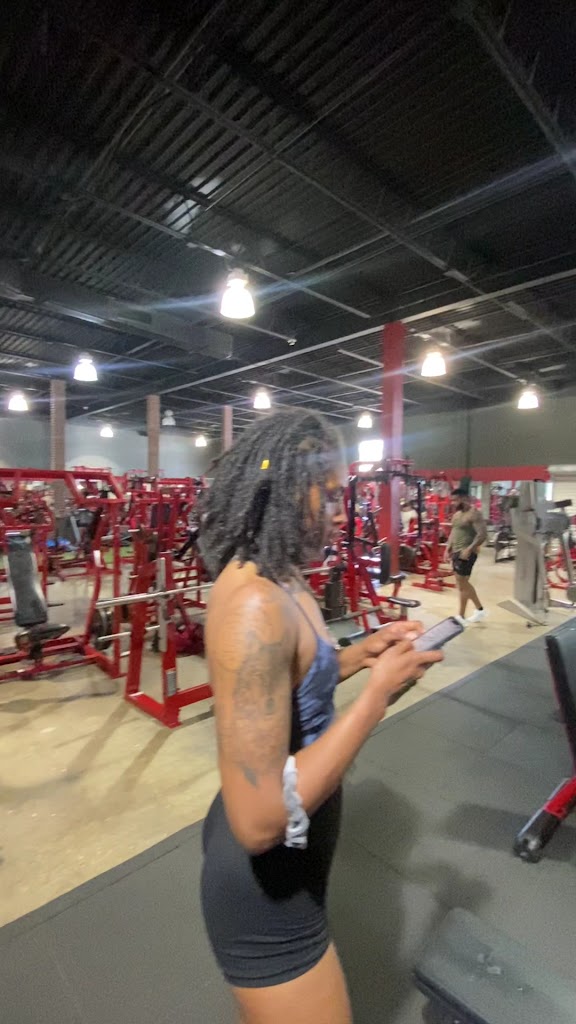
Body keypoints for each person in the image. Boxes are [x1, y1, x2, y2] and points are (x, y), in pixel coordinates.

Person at [198, 409, 443, 1024]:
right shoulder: (254, 606)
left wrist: (363, 656)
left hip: (296, 861)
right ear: (283, 488)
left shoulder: (283, 575)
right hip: (265, 890)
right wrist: (376, 697)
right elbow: (258, 820)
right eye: (329, 496)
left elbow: (298, 676)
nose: (341, 512)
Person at [445, 487, 488, 626]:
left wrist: (469, 549)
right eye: (452, 500)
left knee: (462, 584)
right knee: (462, 584)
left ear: (464, 499)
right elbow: (454, 531)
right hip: (456, 551)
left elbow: (482, 534)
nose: (453, 503)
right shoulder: (457, 515)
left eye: (455, 500)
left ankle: (461, 616)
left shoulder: (474, 514)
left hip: (466, 553)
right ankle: (480, 610)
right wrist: (447, 548)